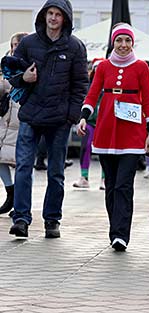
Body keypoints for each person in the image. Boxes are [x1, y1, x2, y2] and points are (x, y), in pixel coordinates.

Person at [8, 0, 88, 238]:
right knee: (23, 167)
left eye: (58, 14)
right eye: (49, 13)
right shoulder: (28, 43)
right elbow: (11, 73)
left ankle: (52, 220)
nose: (53, 18)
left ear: (66, 19)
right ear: (44, 16)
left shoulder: (75, 47)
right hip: (31, 115)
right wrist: (24, 78)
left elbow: (80, 84)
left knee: (55, 172)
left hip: (59, 120)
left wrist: (71, 116)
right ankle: (21, 219)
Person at [77, 23, 149, 251]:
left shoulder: (141, 67)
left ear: (132, 43)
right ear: (113, 42)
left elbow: (148, 101)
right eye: (119, 41)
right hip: (106, 131)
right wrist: (83, 116)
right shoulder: (102, 67)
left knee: (123, 185)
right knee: (110, 186)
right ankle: (114, 231)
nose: (123, 45)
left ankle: (122, 234)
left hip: (132, 134)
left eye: (127, 41)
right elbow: (92, 95)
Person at [0, 32, 28, 216]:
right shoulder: (5, 67)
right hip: (4, 122)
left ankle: (20, 201)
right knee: (1, 159)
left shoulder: (30, 66)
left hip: (22, 121)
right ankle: (10, 193)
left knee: (22, 164)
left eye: (19, 44)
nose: (15, 47)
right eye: (13, 44)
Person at [72, 58, 105, 190]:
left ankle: (105, 179)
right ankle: (84, 177)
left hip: (104, 124)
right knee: (86, 147)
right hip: (90, 122)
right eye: (95, 70)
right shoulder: (88, 87)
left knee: (104, 151)